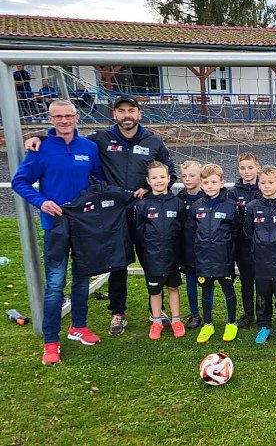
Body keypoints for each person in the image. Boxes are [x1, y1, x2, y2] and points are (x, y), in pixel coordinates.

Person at [24, 94, 178, 337]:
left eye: (131, 110)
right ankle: (118, 311)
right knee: (117, 263)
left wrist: (148, 189)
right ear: (114, 115)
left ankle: (156, 312)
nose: (126, 115)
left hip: (145, 212)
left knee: (153, 259)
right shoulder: (100, 139)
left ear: (139, 114)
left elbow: (172, 172)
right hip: (112, 213)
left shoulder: (154, 142)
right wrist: (41, 136)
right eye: (121, 111)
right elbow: (67, 140)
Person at [12, 99, 105, 364]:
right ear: (50, 119)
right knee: (55, 284)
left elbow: (98, 179)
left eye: (68, 116)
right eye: (58, 117)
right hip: (56, 226)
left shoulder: (89, 147)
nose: (64, 121)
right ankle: (51, 341)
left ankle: (79, 327)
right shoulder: (40, 149)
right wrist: (41, 202)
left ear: (77, 117)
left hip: (83, 225)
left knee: (82, 277)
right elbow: (20, 181)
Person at [134, 161, 187, 340]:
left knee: (173, 288)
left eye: (162, 177)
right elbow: (139, 233)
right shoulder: (143, 205)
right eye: (154, 178)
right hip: (153, 257)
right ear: (148, 181)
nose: (159, 181)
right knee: (154, 291)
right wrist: (145, 255)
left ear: (169, 179)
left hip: (172, 256)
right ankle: (156, 321)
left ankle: (176, 320)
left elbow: (183, 230)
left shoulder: (177, 203)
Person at [189, 164, 241, 344]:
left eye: (214, 182)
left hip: (223, 258)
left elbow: (236, 231)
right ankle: (208, 324)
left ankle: (231, 323)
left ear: (221, 183)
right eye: (206, 182)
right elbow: (192, 231)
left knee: (228, 288)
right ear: (201, 185)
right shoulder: (196, 207)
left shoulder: (231, 206)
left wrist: (229, 251)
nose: (210, 185)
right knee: (206, 290)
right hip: (203, 259)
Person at [244, 165, 276, 344]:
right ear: (259, 184)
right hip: (260, 259)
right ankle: (264, 325)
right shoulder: (252, 207)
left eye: (270, 182)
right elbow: (248, 232)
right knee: (262, 293)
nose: (266, 185)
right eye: (263, 182)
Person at [229, 152, 261, 329]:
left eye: (250, 167)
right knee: (247, 280)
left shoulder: (263, 187)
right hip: (243, 245)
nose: (247, 171)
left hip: (263, 244)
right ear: (238, 170)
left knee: (263, 281)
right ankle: (249, 313)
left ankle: (264, 314)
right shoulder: (233, 192)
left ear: (258, 168)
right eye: (243, 168)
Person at [177, 160, 208, 329]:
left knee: (206, 283)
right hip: (187, 249)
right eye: (184, 176)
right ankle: (195, 314)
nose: (187, 179)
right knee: (190, 281)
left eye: (192, 175)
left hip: (205, 249)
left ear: (200, 177)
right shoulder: (178, 199)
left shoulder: (207, 198)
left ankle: (208, 315)